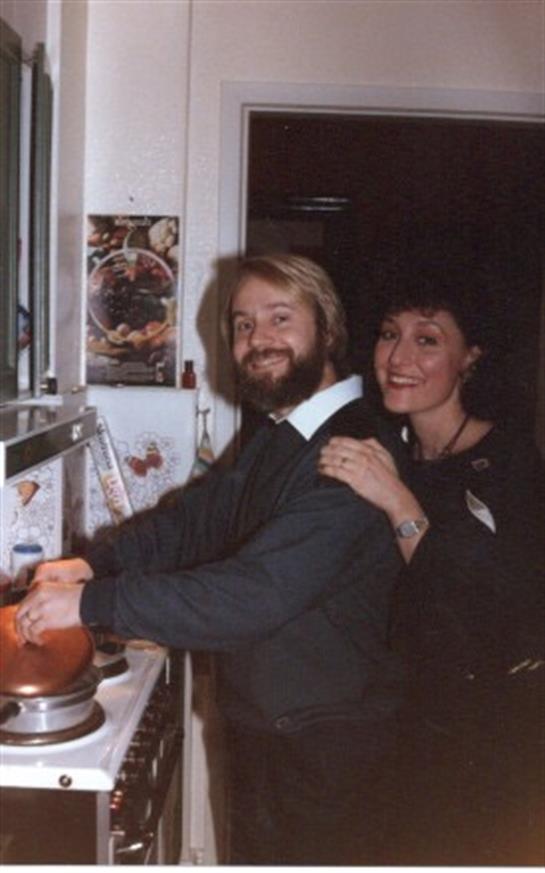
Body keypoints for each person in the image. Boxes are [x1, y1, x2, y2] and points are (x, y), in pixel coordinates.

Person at [16, 254, 405, 865]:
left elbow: (256, 593)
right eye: (243, 325)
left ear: (328, 329)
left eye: (280, 318)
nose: (258, 339)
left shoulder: (350, 451)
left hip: (324, 748)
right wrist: (93, 565)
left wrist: (92, 602)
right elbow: (194, 521)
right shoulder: (283, 434)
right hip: (280, 729)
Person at [318, 263, 545, 866]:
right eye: (389, 334)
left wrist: (398, 501)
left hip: (491, 727)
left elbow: (484, 604)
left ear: (470, 357)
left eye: (428, 339)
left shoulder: (508, 460)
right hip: (399, 713)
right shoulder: (388, 449)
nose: (399, 358)